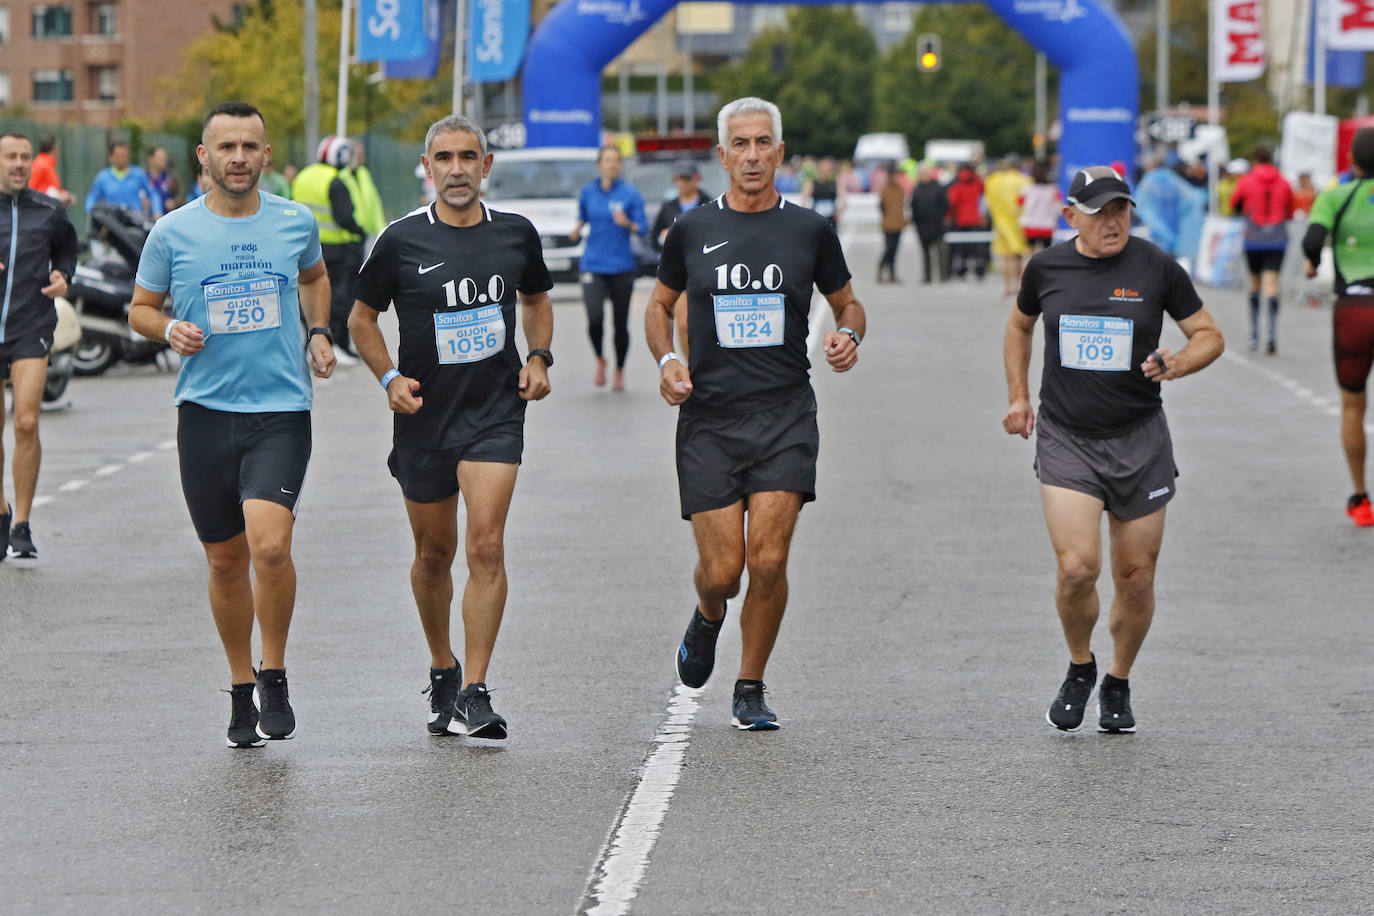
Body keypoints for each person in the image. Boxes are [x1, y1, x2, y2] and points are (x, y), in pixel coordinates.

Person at [644, 97, 866, 730]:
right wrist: (666, 362)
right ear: (721, 156)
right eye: (738, 144)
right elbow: (658, 308)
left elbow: (850, 305)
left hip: (784, 414)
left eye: (762, 143)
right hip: (710, 419)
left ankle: (750, 685)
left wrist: (851, 336)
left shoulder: (809, 230)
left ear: (780, 152)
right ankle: (709, 612)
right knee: (725, 571)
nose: (751, 155)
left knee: (769, 560)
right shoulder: (691, 229)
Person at [127, 101, 336, 748]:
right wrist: (168, 329)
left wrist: (320, 331)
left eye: (251, 147)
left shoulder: (294, 221)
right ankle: (241, 686)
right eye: (227, 148)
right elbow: (140, 308)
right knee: (224, 561)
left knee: (270, 546)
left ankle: (274, 670)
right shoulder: (172, 233)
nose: (239, 158)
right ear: (204, 157)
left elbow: (316, 276)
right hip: (205, 415)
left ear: (266, 155)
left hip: (280, 412)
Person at [348, 115, 554, 740]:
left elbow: (537, 300)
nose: (457, 169)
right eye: (445, 158)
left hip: (495, 413)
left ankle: (476, 689)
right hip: (425, 418)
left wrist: (540, 356)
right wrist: (389, 378)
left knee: (486, 546)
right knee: (433, 554)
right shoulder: (399, 240)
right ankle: (443, 665)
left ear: (486, 166)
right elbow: (361, 319)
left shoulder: (516, 235)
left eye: (469, 157)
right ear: (428, 166)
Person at [1002, 165, 1223, 734]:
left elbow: (1209, 335)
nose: (1113, 221)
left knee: (1137, 577)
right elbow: (1020, 327)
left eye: (1121, 209)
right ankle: (1081, 665)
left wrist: (1177, 362)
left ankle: (1118, 681)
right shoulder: (1047, 267)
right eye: (1099, 211)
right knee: (1077, 570)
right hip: (1067, 436)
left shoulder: (1156, 266)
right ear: (1071, 215)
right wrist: (1019, 397)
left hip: (1140, 437)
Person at [0, 133, 80, 562]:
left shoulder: (49, 210)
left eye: (24, 157)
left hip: (31, 324)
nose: (18, 164)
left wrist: (65, 275)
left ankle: (22, 524)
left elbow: (69, 251)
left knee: (27, 421)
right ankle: (1, 509)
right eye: (10, 157)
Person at [1303, 127, 1374, 527]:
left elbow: (1313, 239)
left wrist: (1313, 264)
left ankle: (1361, 499)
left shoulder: (1335, 195)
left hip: (1356, 309)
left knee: (1352, 406)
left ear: (1353, 160)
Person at [568, 145, 645, 391]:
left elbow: (642, 228)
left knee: (620, 324)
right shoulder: (589, 191)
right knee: (594, 319)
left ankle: (619, 369)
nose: (612, 165)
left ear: (620, 165)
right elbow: (583, 215)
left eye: (616, 161)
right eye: (607, 160)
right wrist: (577, 228)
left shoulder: (630, 194)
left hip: (621, 265)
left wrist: (628, 224)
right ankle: (600, 358)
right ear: (599, 165)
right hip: (593, 264)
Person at [292, 135, 366, 360]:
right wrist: (359, 231)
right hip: (338, 248)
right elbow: (344, 216)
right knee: (337, 298)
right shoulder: (335, 181)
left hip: (306, 245)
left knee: (307, 296)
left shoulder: (302, 176)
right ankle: (335, 344)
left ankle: (311, 343)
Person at [1231, 147, 1295, 354]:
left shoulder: (1247, 180)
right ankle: (1272, 334)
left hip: (1253, 239)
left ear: (1255, 161)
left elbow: (1234, 203)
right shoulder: (1284, 181)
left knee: (1254, 284)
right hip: (1277, 238)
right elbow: (1291, 210)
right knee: (1271, 285)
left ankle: (1254, 335)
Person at [1135, 153, 1206, 270]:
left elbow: (1141, 205)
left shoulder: (1150, 180)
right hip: (1174, 229)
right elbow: (1192, 198)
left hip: (1158, 234)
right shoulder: (1172, 178)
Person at [985, 155, 1032, 297]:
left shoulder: (995, 181)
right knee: (1020, 257)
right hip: (1021, 223)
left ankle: (1007, 287)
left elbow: (989, 199)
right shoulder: (1026, 181)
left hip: (1002, 224)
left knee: (1006, 258)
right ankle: (1019, 286)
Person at [85, 141, 160, 218]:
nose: (122, 158)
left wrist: (157, 212)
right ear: (111, 157)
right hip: (111, 221)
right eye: (118, 156)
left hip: (135, 221)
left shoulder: (138, 174)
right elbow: (92, 197)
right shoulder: (102, 177)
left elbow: (153, 194)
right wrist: (92, 211)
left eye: (124, 155)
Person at [650, 160, 712, 251]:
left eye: (687, 178)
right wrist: (662, 238)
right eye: (680, 179)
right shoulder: (668, 207)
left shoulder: (709, 205)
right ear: (675, 180)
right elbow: (654, 239)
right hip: (676, 260)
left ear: (697, 179)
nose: (683, 183)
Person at [946, 165, 987, 280]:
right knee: (977, 247)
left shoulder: (956, 186)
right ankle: (979, 270)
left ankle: (961, 270)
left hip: (961, 220)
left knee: (961, 248)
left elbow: (952, 202)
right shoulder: (977, 185)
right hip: (975, 219)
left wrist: (949, 216)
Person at [911, 165, 949, 284]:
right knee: (925, 252)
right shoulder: (917, 189)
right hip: (922, 226)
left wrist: (940, 218)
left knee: (941, 252)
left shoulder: (938, 187)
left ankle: (943, 275)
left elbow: (945, 204)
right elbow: (914, 207)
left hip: (937, 225)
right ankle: (927, 276)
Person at [1019, 159, 1062, 254]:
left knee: (1031, 255)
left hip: (1030, 226)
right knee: (1046, 255)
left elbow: (1019, 205)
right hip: (1047, 226)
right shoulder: (1053, 189)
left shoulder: (1026, 189)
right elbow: (1059, 208)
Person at [349, 139, 388, 243]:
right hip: (349, 236)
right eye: (360, 155)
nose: (363, 158)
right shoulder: (342, 176)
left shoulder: (363, 174)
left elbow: (374, 204)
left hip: (364, 233)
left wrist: (381, 231)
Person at [877, 163, 907, 283]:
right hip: (888, 224)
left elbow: (903, 205)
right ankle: (881, 269)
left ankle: (892, 273)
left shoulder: (900, 189)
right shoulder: (885, 189)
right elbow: (881, 206)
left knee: (895, 250)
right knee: (889, 249)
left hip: (898, 223)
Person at [28, 135, 74, 207]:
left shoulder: (47, 164)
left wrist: (63, 195)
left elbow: (48, 189)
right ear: (54, 148)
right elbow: (31, 190)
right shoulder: (41, 165)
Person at [802, 156, 843, 228]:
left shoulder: (835, 183)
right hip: (816, 217)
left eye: (828, 168)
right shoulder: (811, 183)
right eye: (823, 167)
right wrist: (809, 214)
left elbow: (843, 199)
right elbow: (804, 200)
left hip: (831, 217)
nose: (826, 170)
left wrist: (839, 212)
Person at [145, 146, 179, 214]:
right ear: (150, 159)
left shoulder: (171, 177)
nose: (164, 161)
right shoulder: (143, 178)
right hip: (147, 219)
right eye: (161, 159)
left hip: (167, 219)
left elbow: (180, 196)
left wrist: (174, 202)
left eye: (165, 158)